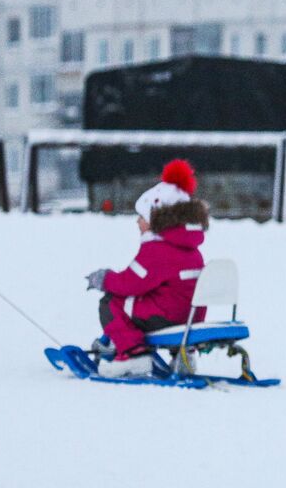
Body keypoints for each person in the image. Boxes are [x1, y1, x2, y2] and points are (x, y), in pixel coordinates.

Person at [84, 159, 209, 378]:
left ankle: (133, 354)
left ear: (155, 218)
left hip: (167, 317)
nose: (138, 222)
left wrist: (104, 279)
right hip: (189, 317)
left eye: (141, 216)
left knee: (111, 303)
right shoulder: (192, 249)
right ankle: (183, 356)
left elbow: (130, 284)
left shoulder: (157, 249)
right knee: (156, 300)